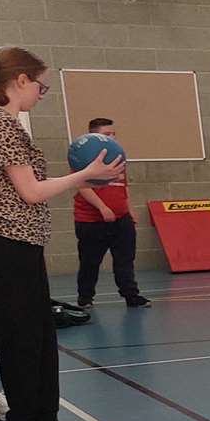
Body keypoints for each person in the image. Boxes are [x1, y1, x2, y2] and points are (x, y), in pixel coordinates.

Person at [0, 47, 121, 421]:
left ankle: (44, 418)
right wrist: (84, 176)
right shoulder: (2, 126)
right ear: (19, 81)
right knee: (20, 336)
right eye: (40, 85)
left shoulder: (12, 125)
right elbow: (29, 192)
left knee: (41, 333)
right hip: (7, 245)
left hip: (25, 243)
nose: (39, 92)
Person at [73, 117, 150, 309]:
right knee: (90, 262)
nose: (112, 138)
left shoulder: (118, 158)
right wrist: (102, 207)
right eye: (107, 135)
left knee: (125, 259)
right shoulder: (83, 157)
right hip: (91, 221)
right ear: (94, 136)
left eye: (114, 134)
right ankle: (85, 298)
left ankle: (131, 296)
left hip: (121, 219)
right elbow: (82, 187)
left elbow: (123, 186)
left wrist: (129, 209)